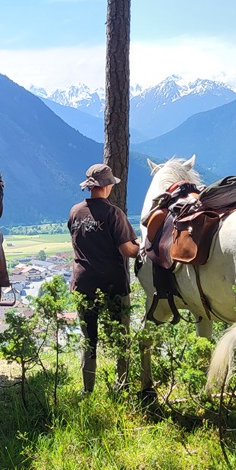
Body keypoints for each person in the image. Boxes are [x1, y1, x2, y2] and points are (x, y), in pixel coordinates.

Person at [67, 164, 139, 393]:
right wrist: (144, 248)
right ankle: (121, 385)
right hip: (112, 283)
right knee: (120, 335)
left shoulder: (75, 211)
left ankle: (88, 389)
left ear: (90, 187)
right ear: (107, 186)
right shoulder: (113, 213)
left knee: (89, 337)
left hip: (83, 282)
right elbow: (128, 250)